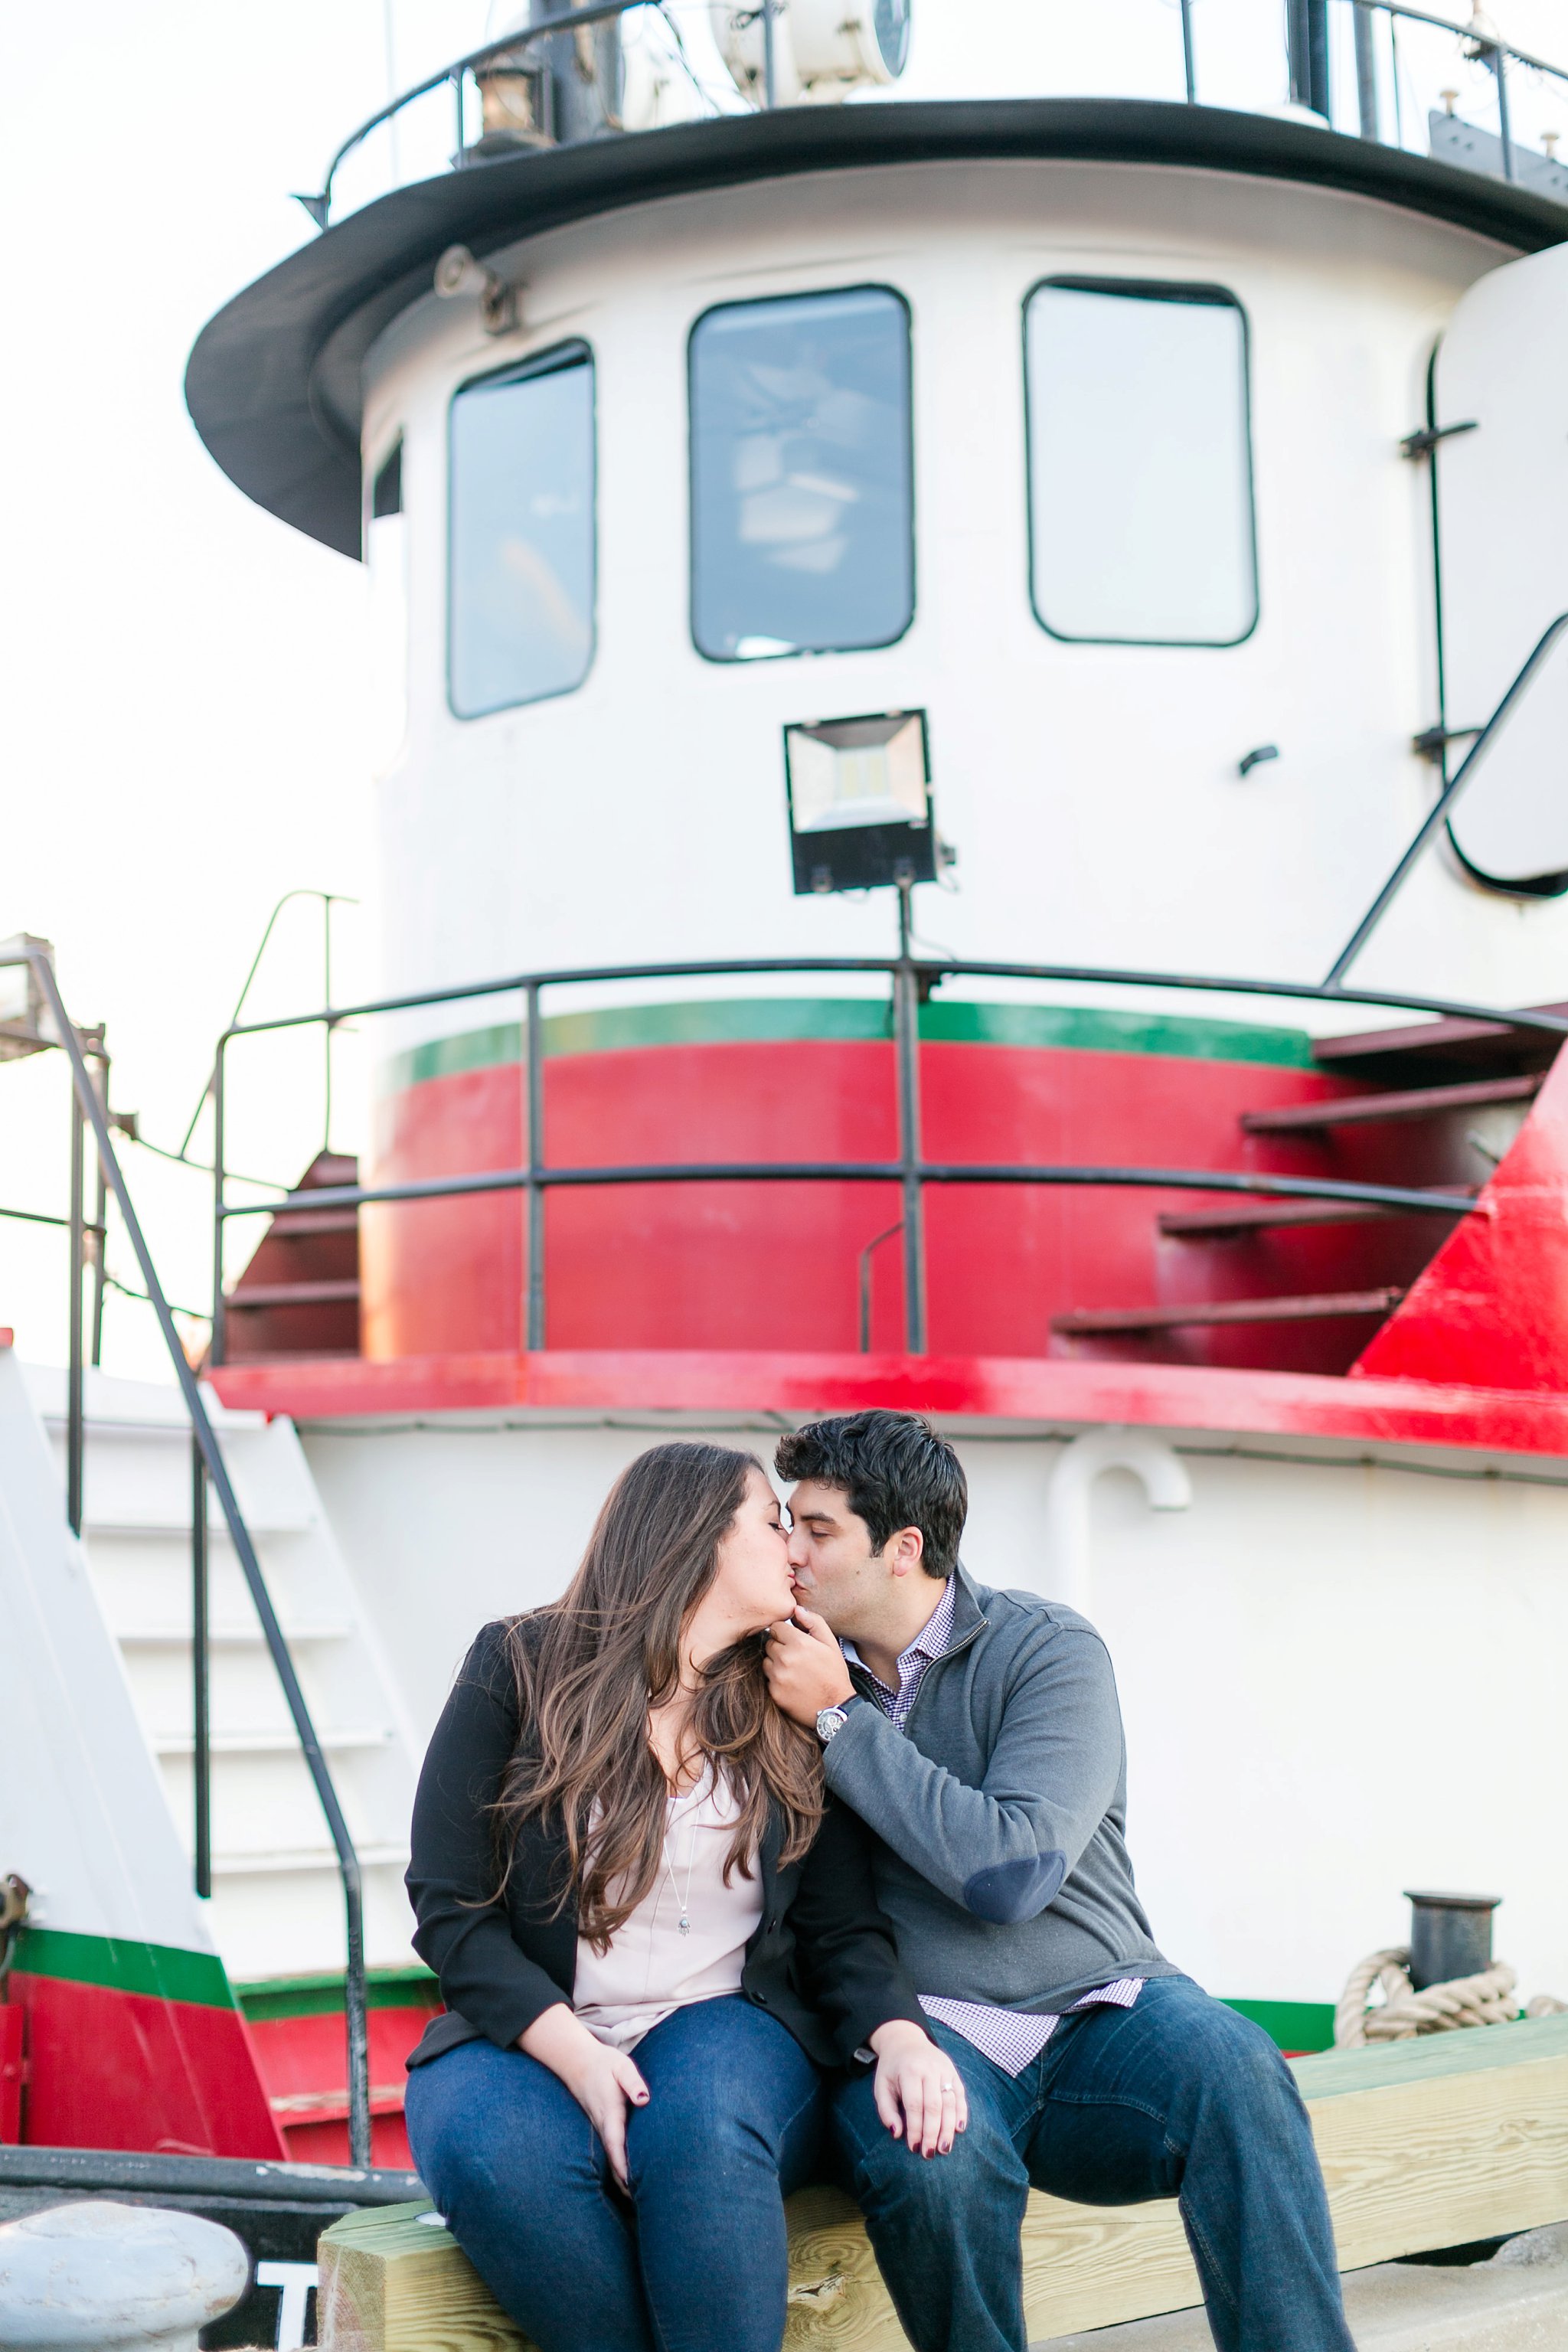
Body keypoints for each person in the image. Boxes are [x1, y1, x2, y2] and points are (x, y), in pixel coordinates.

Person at [763, 1409, 1355, 2352]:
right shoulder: (782, 1675)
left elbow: (1010, 1871)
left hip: (1098, 2011)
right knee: (934, 2162)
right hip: (926, 2030)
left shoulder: (1047, 1649)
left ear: (902, 1548)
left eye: (816, 1529)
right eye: (787, 1525)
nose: (787, 1551)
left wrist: (844, 1725)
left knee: (1240, 2072)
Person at [403, 1439, 958, 2352]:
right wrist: (579, 2059)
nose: (794, 1548)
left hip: (720, 2020)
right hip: (532, 2025)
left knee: (698, 2134)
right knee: (494, 2157)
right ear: (697, 1537)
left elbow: (838, 1926)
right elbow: (449, 1903)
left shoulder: (797, 1691)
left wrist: (897, 2032)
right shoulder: (518, 1662)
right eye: (773, 1522)